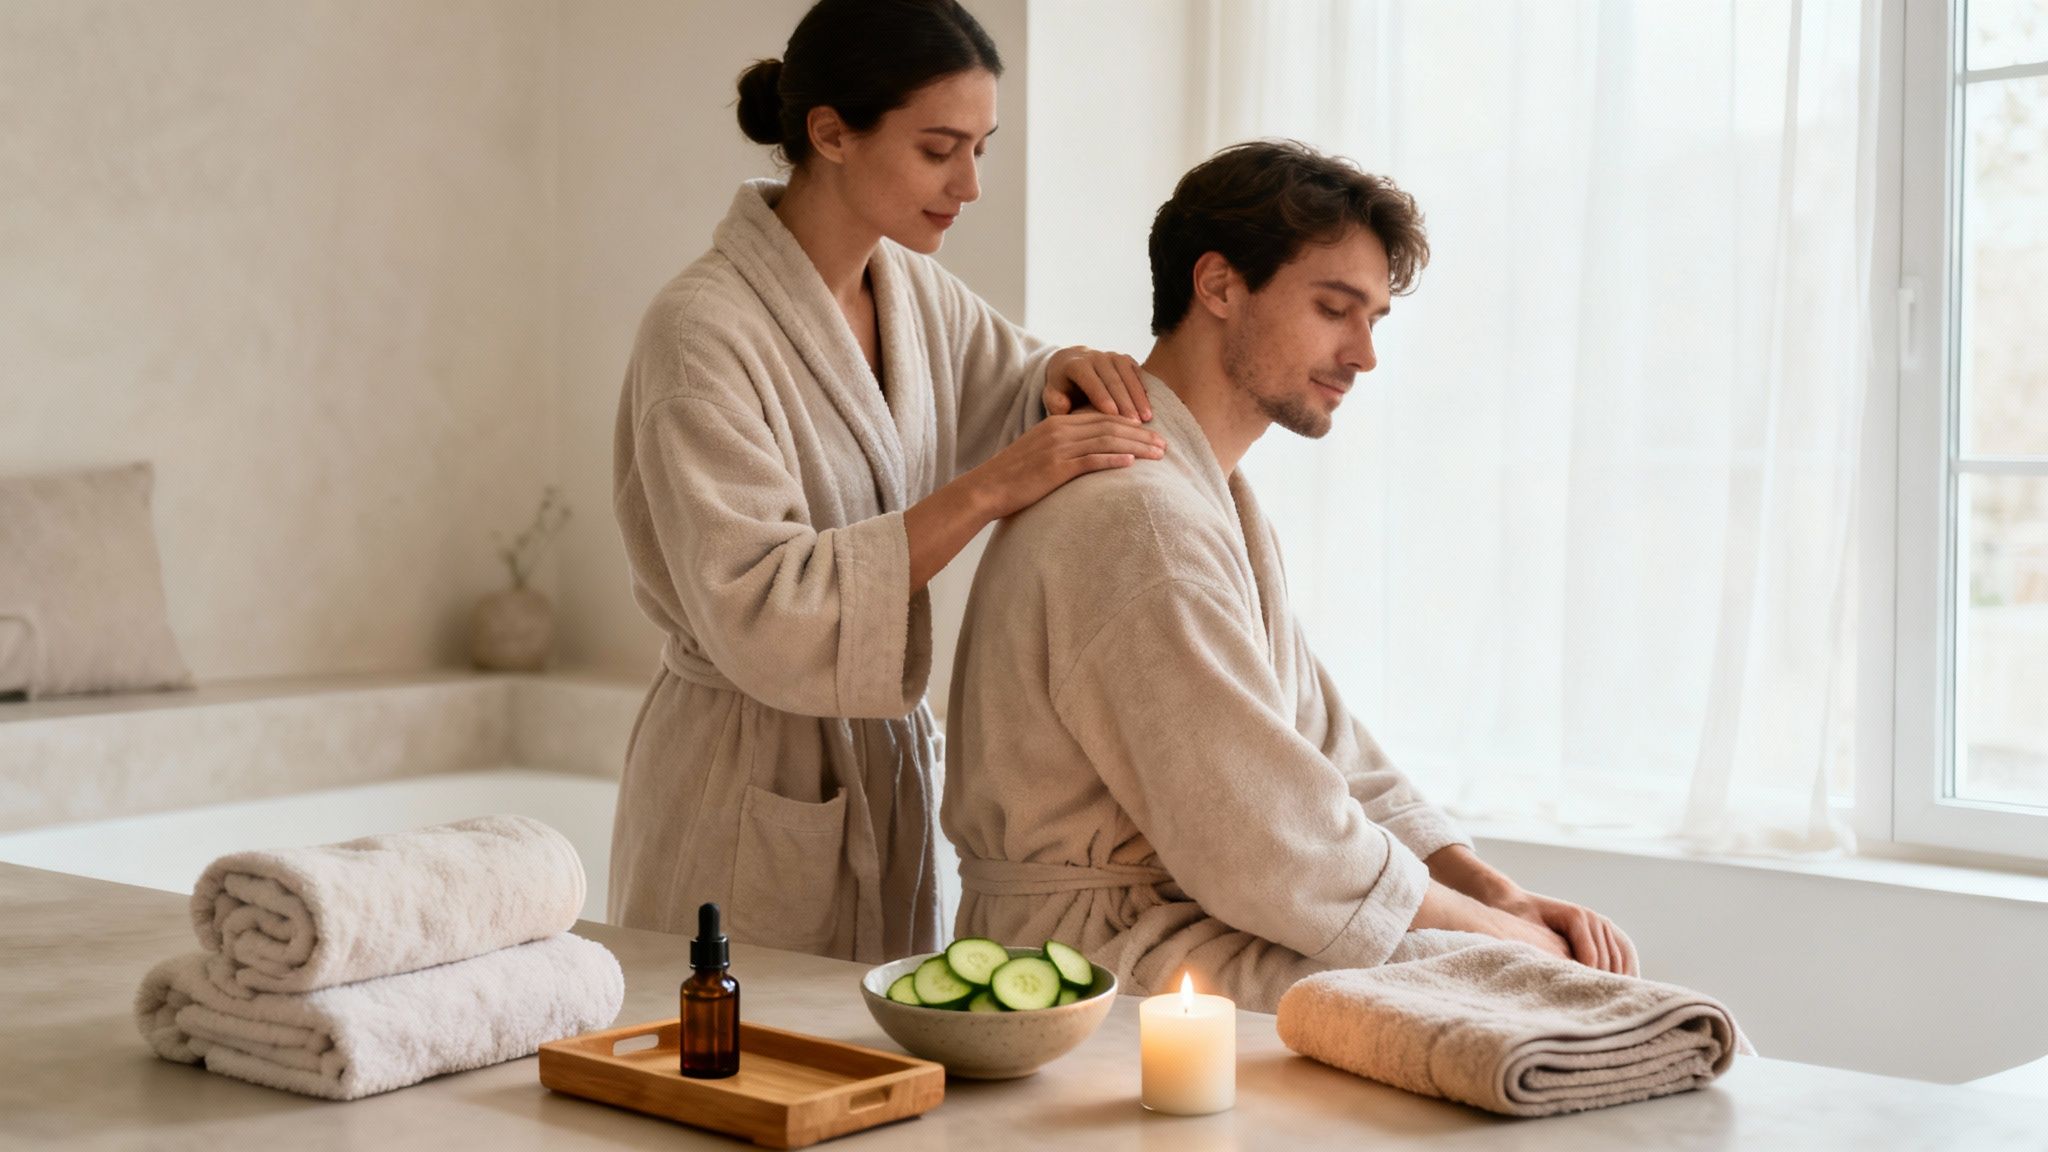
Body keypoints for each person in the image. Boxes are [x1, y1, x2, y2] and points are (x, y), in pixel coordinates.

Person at [942, 140, 1640, 1012]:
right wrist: (1504, 937)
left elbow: (1324, 747)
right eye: (1334, 309)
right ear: (1221, 286)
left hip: (1180, 924)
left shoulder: (1210, 498)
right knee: (1535, 999)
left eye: (1375, 319)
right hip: (1090, 962)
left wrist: (1496, 894)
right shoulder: (1140, 517)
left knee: (1547, 993)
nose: (1364, 354)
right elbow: (1267, 838)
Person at [609, 0, 1164, 961]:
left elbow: (1017, 382)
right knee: (727, 1069)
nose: (971, 185)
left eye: (983, 147)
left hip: (878, 758)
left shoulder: (909, 290)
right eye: (940, 149)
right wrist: (990, 488)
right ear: (830, 132)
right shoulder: (702, 333)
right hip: (740, 776)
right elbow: (760, 606)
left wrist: (1067, 367)